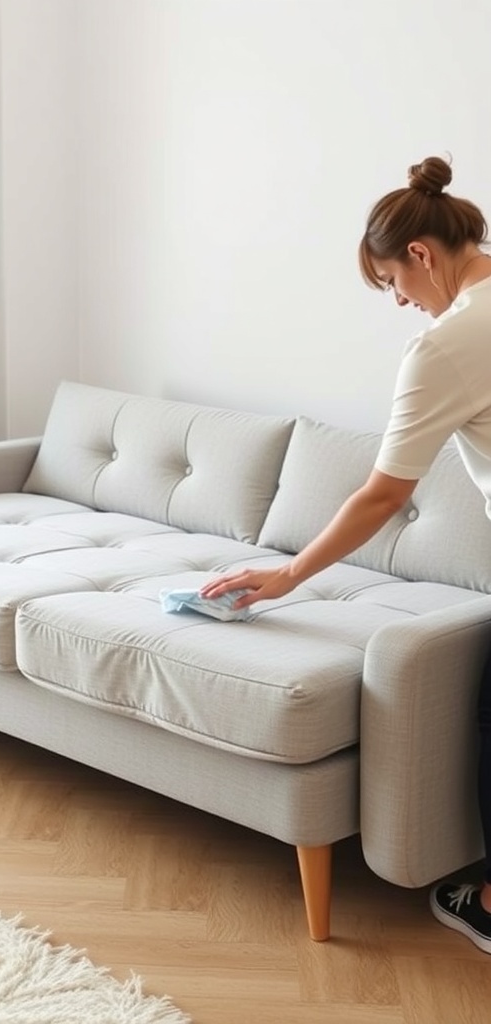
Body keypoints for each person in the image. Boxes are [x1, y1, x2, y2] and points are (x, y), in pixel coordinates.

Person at [200, 154, 491, 954]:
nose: (400, 302)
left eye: (393, 283)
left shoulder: (449, 344)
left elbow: (382, 495)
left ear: (423, 256)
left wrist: (289, 574)